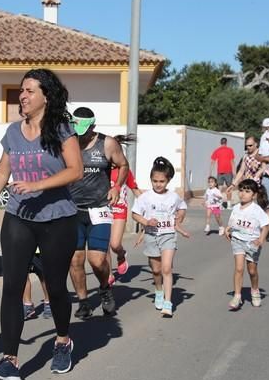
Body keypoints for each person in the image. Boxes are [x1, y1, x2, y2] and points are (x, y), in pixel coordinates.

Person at [0, 68, 83, 380]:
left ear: (46, 96)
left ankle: (63, 340)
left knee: (55, 285)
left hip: (58, 218)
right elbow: (1, 173)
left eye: (29, 90)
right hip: (18, 215)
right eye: (21, 91)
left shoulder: (62, 129)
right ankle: (9, 361)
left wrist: (40, 183)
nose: (22, 96)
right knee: (12, 287)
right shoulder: (12, 132)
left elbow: (75, 170)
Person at [68, 107, 129, 319]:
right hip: (72, 210)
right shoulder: (68, 141)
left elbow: (123, 165)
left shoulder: (108, 143)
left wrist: (117, 187)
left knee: (96, 260)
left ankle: (104, 288)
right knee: (75, 261)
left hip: (99, 209)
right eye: (77, 129)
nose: (80, 135)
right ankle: (84, 302)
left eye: (84, 130)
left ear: (93, 127)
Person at [131, 157, 189, 318]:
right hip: (151, 236)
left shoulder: (173, 196)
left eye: (162, 181)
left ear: (168, 180)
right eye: (155, 181)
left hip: (168, 235)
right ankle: (158, 290)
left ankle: (168, 303)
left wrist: (180, 218)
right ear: (151, 180)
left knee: (166, 268)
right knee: (156, 271)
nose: (158, 184)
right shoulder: (145, 197)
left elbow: (182, 207)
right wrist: (146, 221)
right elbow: (135, 214)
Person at [224, 179, 269, 310]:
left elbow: (266, 227)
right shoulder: (235, 208)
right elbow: (233, 223)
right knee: (239, 269)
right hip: (237, 241)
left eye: (247, 191)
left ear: (254, 195)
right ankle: (237, 296)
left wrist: (261, 239)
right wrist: (228, 229)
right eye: (241, 190)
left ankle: (255, 290)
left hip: (252, 243)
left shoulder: (257, 210)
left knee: (252, 271)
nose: (243, 194)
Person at [107, 139, 142, 284]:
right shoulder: (103, 168)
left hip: (120, 209)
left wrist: (151, 204)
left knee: (114, 244)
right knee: (103, 246)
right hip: (103, 210)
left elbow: (135, 189)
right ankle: (108, 275)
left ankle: (121, 254)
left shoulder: (125, 171)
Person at [23, 249, 51, 320]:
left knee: (42, 273)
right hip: (21, 243)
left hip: (39, 246)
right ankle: (28, 305)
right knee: (22, 274)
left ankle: (49, 302)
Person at [210, 137, 235, 208]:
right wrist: (234, 172)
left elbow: (212, 162)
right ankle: (229, 205)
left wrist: (210, 173)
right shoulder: (230, 150)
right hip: (228, 172)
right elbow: (232, 161)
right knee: (229, 188)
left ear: (220, 143)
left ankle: (219, 205)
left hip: (220, 172)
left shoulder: (217, 150)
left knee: (219, 189)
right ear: (226, 142)